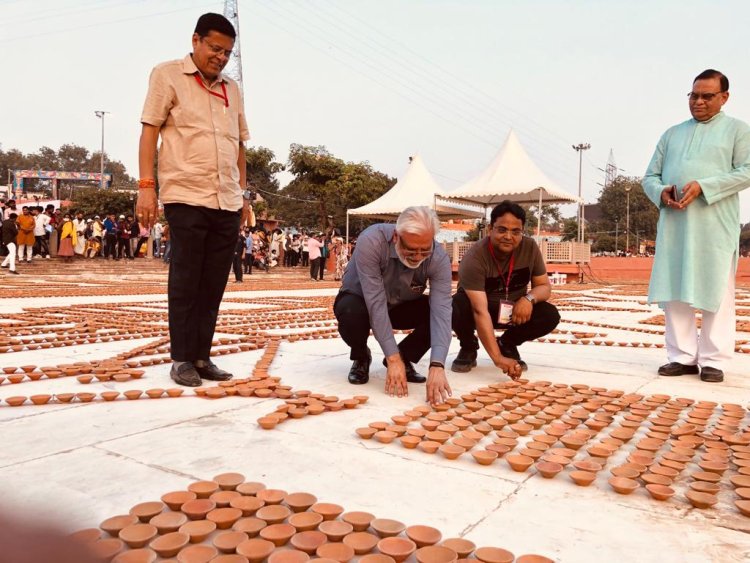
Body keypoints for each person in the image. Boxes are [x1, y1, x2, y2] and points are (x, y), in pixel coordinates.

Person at [136, 12, 250, 387]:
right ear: (196, 40)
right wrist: (146, 186)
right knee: (186, 277)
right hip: (186, 194)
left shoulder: (232, 89)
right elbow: (150, 130)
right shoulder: (168, 75)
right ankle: (182, 358)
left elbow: (239, 146)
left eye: (227, 52)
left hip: (227, 200)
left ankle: (202, 356)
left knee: (214, 280)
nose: (220, 57)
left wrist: (243, 195)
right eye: (215, 48)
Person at [643, 69, 750, 383]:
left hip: (714, 225)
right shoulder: (672, 134)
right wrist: (660, 192)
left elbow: (747, 170)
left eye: (707, 96)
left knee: (717, 289)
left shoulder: (737, 131)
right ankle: (682, 356)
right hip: (675, 223)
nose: (698, 101)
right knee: (674, 289)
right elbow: (650, 176)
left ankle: (714, 360)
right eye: (693, 95)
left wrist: (704, 186)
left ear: (724, 98)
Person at [333, 206, 452, 404]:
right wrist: (392, 357)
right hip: (361, 301)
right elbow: (375, 302)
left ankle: (406, 357)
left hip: (400, 304)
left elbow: (442, 311)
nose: (418, 256)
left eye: (425, 250)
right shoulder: (372, 241)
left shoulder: (438, 257)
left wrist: (437, 365)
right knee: (350, 312)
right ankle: (361, 355)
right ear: (396, 237)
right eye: (412, 250)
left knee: (451, 310)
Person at [450, 201, 560, 378]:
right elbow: (479, 311)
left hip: (515, 311)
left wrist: (528, 299)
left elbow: (544, 286)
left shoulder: (530, 247)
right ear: (490, 229)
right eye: (502, 230)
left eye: (516, 231)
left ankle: (508, 343)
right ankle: (469, 346)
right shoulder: (475, 257)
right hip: (480, 311)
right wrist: (498, 359)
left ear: (522, 231)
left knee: (549, 314)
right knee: (456, 305)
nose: (508, 236)